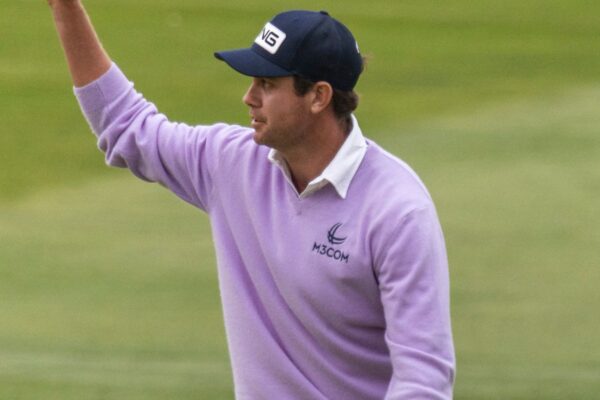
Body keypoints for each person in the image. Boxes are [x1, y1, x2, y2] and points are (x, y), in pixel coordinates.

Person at [48, 1, 456, 398]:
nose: (249, 97)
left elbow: (423, 380)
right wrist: (65, 6)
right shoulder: (232, 162)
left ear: (318, 96)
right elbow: (126, 127)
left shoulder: (398, 212)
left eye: (267, 84)